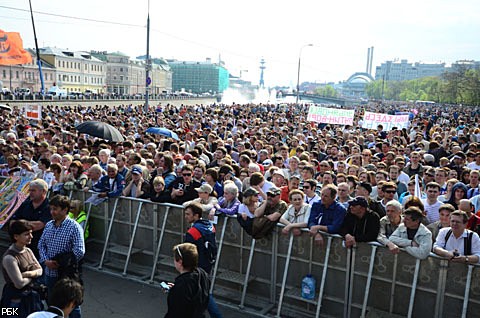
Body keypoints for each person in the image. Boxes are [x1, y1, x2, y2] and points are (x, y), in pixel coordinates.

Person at [38, 195, 85, 318]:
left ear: (65, 210)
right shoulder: (49, 225)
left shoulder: (74, 227)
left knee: (71, 304)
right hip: (49, 273)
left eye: (55, 209)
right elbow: (41, 244)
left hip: (66, 275)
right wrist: (46, 261)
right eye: (51, 208)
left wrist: (61, 263)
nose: (52, 212)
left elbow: (79, 251)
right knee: (52, 303)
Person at [183, 203, 221, 318]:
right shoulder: (210, 226)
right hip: (208, 263)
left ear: (196, 215)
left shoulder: (192, 232)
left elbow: (188, 252)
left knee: (203, 294)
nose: (186, 216)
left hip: (197, 266)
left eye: (188, 214)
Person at [1, 220, 43, 317]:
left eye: (31, 233)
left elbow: (40, 270)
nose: (31, 237)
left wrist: (27, 274)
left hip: (30, 298)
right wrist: (33, 275)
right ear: (16, 237)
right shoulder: (9, 258)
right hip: (13, 301)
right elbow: (19, 284)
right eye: (27, 234)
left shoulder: (28, 250)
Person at [164, 243, 210, 318]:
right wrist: (174, 289)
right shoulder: (202, 274)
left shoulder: (182, 285)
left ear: (180, 262)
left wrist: (175, 291)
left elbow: (176, 312)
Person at [12, 179, 51, 258]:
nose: (30, 193)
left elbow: (40, 225)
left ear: (43, 191)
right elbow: (12, 222)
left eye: (33, 190)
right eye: (30, 190)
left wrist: (19, 225)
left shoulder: (50, 207)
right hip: (20, 247)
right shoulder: (25, 204)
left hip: (38, 248)